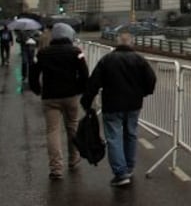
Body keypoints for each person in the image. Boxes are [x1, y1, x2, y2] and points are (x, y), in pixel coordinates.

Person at [81, 31, 157, 187]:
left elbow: (94, 82)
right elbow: (151, 79)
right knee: (131, 134)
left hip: (112, 104)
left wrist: (86, 101)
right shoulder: (139, 60)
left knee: (114, 137)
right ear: (131, 43)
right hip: (134, 104)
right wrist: (144, 92)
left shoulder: (107, 60)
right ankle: (129, 168)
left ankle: (120, 173)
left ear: (117, 43)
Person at [28, 22, 89, 179]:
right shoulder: (76, 52)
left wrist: (37, 89)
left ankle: (56, 168)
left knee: (52, 131)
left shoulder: (43, 53)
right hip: (70, 96)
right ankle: (74, 159)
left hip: (50, 96)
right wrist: (80, 89)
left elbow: (33, 74)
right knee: (72, 127)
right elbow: (84, 74)